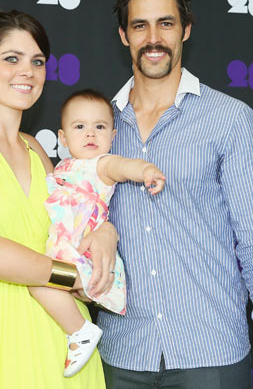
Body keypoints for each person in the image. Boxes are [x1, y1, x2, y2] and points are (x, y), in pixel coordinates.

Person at [96, 0, 253, 389]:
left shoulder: (230, 120)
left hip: (210, 353)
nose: (153, 37)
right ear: (124, 35)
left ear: (185, 30)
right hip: (121, 352)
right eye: (140, 25)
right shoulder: (98, 127)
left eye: (166, 23)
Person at [0, 10, 114, 388]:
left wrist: (106, 231)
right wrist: (73, 275)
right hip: (1, 332)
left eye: (37, 61)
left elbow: (72, 218)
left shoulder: (34, 149)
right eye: (11, 58)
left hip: (69, 340)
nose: (27, 71)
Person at [28, 88, 165, 377]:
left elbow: (123, 166)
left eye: (99, 127)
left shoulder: (100, 166)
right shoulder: (62, 169)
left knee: (38, 280)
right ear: (63, 138)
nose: (90, 134)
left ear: (112, 136)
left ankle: (80, 331)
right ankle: (78, 329)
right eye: (80, 127)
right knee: (39, 279)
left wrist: (146, 170)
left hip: (86, 262)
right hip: (68, 256)